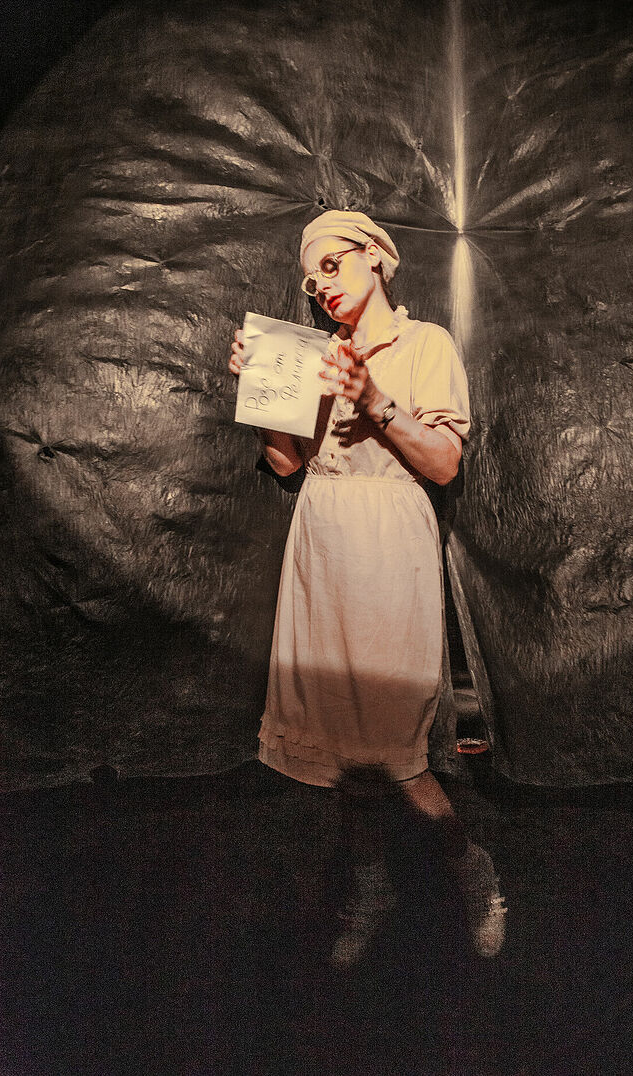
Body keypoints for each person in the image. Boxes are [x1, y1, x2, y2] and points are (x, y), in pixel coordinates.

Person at [230, 210, 506, 967]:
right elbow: (287, 463)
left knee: (392, 746)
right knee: (341, 752)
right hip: (321, 542)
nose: (321, 286)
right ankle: (372, 886)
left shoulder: (425, 344)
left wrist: (376, 399)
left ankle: (470, 872)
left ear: (375, 258)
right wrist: (260, 394)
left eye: (332, 265)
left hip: (388, 542)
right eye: (310, 279)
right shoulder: (310, 352)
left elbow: (443, 464)